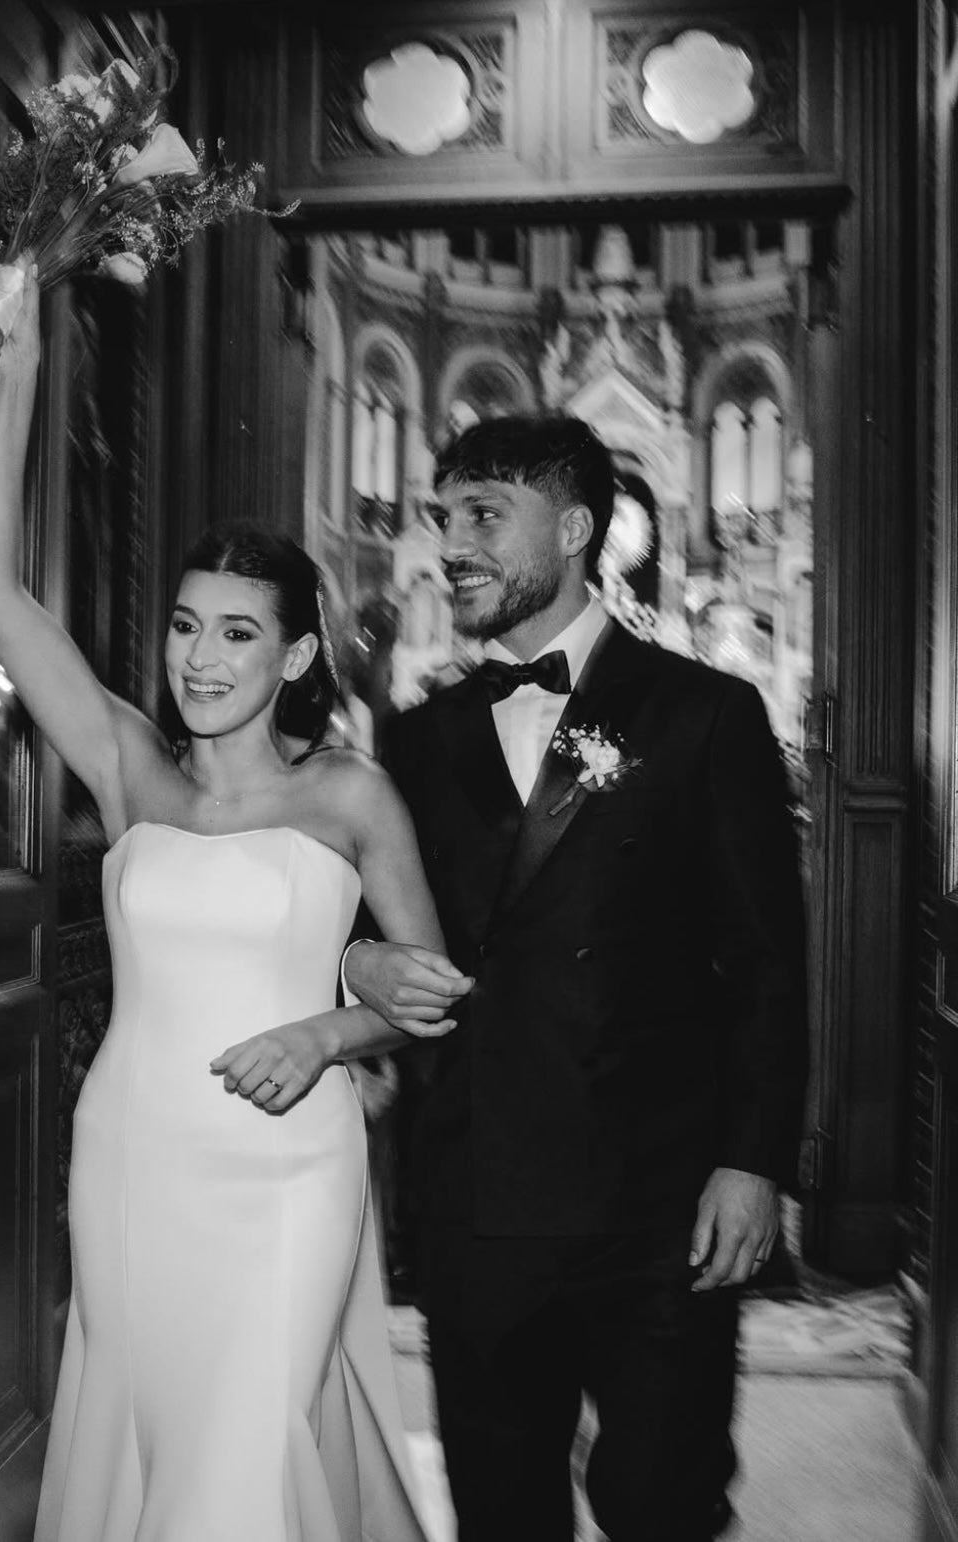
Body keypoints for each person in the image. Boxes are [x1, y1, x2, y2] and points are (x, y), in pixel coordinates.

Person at [0, 264, 450, 1542]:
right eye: (186, 627)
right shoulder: (131, 769)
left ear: (293, 658)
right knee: (152, 1429)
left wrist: (330, 1032)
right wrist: (17, 354)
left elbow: (431, 989)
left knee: (244, 1451)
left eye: (239, 634)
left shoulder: (351, 798)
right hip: (134, 1156)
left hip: (292, 1168)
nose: (199, 658)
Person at [345, 415, 808, 1542]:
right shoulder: (412, 739)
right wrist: (362, 961)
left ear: (576, 528)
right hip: (477, 1203)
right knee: (501, 1511)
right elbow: (362, 931)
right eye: (444, 516)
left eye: (483, 517)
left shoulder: (707, 715)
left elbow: (764, 965)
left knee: (664, 1504)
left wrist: (752, 1165)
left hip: (658, 1213)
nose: (451, 543)